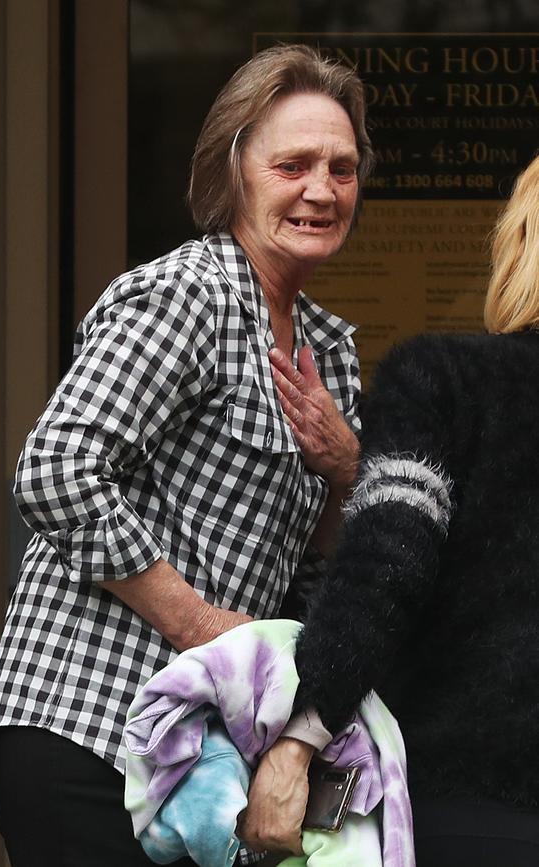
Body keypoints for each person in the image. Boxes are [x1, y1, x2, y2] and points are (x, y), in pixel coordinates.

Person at [0, 44, 375, 867]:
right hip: (87, 720)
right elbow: (55, 469)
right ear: (235, 172)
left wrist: (348, 469)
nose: (321, 190)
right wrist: (202, 626)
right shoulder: (191, 293)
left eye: (342, 167)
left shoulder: (331, 353)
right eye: (293, 164)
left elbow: (320, 575)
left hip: (198, 760)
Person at [239, 155, 539, 866]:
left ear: (518, 241)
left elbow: (388, 565)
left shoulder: (443, 381)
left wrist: (297, 742)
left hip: (464, 809)